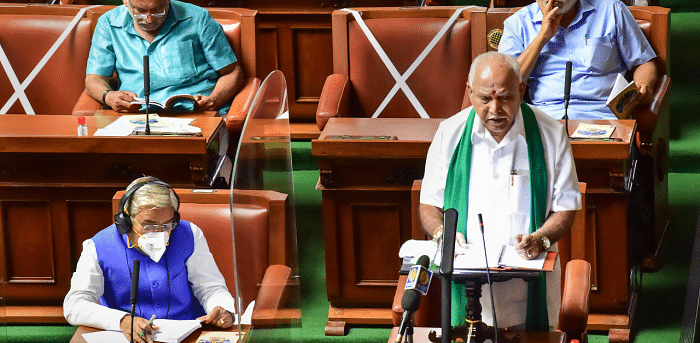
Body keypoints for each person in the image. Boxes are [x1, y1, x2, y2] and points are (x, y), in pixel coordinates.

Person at [420, 52, 582, 330]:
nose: (495, 109)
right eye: (485, 98)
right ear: (470, 93)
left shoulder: (551, 134)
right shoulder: (450, 133)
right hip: (467, 286)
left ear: (521, 91)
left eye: (505, 97)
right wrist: (441, 234)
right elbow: (429, 206)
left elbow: (565, 207)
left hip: (528, 289)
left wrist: (541, 237)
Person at [64, 177, 239, 343]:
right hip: (127, 337)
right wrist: (121, 320)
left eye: (167, 224)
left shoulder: (189, 234)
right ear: (126, 218)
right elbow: (75, 305)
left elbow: (211, 288)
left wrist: (223, 308)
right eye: (148, 225)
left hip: (187, 336)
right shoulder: (97, 246)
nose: (159, 233)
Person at [498, 0, 657, 120]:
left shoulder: (612, 10)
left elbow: (644, 62)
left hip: (603, 116)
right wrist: (542, 37)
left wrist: (643, 84)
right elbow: (506, 84)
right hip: (545, 117)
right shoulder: (517, 23)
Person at [85, 0, 243, 115]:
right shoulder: (108, 23)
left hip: (195, 112)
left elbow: (232, 72)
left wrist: (213, 100)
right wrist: (108, 96)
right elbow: (94, 78)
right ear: (126, 2)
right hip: (136, 115)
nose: (149, 19)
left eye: (158, 11)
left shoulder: (198, 19)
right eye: (140, 11)